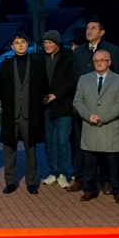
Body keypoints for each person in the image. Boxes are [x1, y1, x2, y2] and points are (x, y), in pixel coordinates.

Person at [69, 16, 119, 193]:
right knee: (80, 146)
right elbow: (74, 78)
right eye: (87, 28)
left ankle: (106, 180)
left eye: (93, 28)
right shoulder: (79, 52)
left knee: (106, 148)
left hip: (106, 110)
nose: (89, 31)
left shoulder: (112, 51)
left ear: (102, 32)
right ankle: (81, 178)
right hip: (83, 109)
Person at [0, 32, 47, 194]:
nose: (20, 45)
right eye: (17, 43)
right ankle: (10, 182)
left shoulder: (37, 64)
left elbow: (43, 86)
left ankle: (31, 182)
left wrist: (38, 105)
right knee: (9, 149)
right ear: (12, 46)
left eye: (23, 42)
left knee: (30, 150)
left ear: (27, 44)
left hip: (30, 114)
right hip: (11, 114)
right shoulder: (5, 65)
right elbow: (1, 88)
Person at [40, 30, 77, 188]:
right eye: (45, 42)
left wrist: (56, 95)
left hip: (63, 105)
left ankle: (62, 173)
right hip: (45, 106)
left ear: (57, 43)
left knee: (62, 141)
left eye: (50, 42)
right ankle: (53, 172)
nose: (47, 45)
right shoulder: (40, 58)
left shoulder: (68, 58)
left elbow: (72, 81)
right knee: (49, 141)